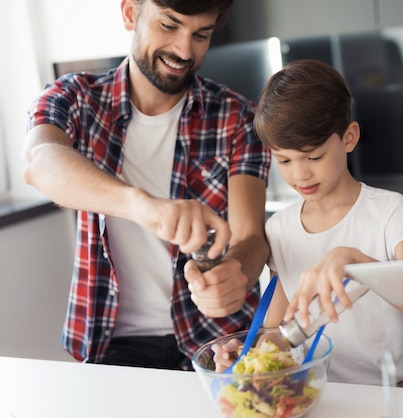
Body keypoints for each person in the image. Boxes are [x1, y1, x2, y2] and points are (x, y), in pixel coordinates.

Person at [21, 0, 271, 370]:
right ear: (129, 13)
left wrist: (237, 273)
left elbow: (251, 239)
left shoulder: (239, 116)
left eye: (200, 34)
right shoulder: (74, 98)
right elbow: (39, 161)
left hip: (218, 344)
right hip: (113, 344)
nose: (184, 50)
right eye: (169, 26)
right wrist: (144, 206)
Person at [214, 59, 403, 387]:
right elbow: (280, 331)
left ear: (348, 138)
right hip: (325, 392)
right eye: (285, 160)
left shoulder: (388, 211)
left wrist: (356, 263)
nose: (300, 174)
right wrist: (246, 357)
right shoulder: (279, 229)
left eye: (314, 156)